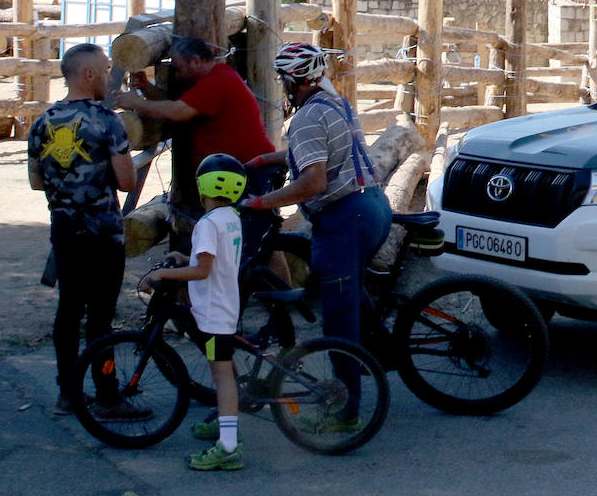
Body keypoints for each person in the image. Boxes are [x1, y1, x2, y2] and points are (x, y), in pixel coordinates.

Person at [239, 43, 392, 429]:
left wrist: (261, 202)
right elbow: (315, 154)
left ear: (295, 80)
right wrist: (266, 158)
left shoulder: (305, 118)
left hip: (345, 218)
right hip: (372, 206)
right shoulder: (335, 103)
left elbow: (313, 180)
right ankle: (382, 350)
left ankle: (347, 410)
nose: (282, 86)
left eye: (284, 80)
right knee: (351, 292)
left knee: (338, 318)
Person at [28, 43, 144, 419]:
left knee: (68, 311)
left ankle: (67, 391)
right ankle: (107, 393)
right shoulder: (107, 121)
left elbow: (34, 180)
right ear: (89, 74)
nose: (111, 77)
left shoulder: (42, 122)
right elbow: (126, 181)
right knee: (101, 319)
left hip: (64, 230)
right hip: (103, 233)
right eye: (107, 69)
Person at [115, 35, 280, 252]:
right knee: (259, 240)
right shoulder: (212, 79)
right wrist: (145, 88)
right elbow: (174, 105)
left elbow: (177, 112)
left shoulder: (216, 81)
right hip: (241, 170)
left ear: (195, 61)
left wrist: (135, 102)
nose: (176, 73)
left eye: (178, 67)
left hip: (248, 172)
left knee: (256, 241)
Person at [141, 153, 247, 471]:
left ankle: (228, 446)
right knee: (223, 373)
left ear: (203, 186)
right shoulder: (230, 218)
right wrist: (182, 257)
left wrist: (162, 274)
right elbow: (215, 261)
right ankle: (225, 425)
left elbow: (202, 271)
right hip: (225, 304)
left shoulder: (206, 224)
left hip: (214, 312)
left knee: (222, 376)